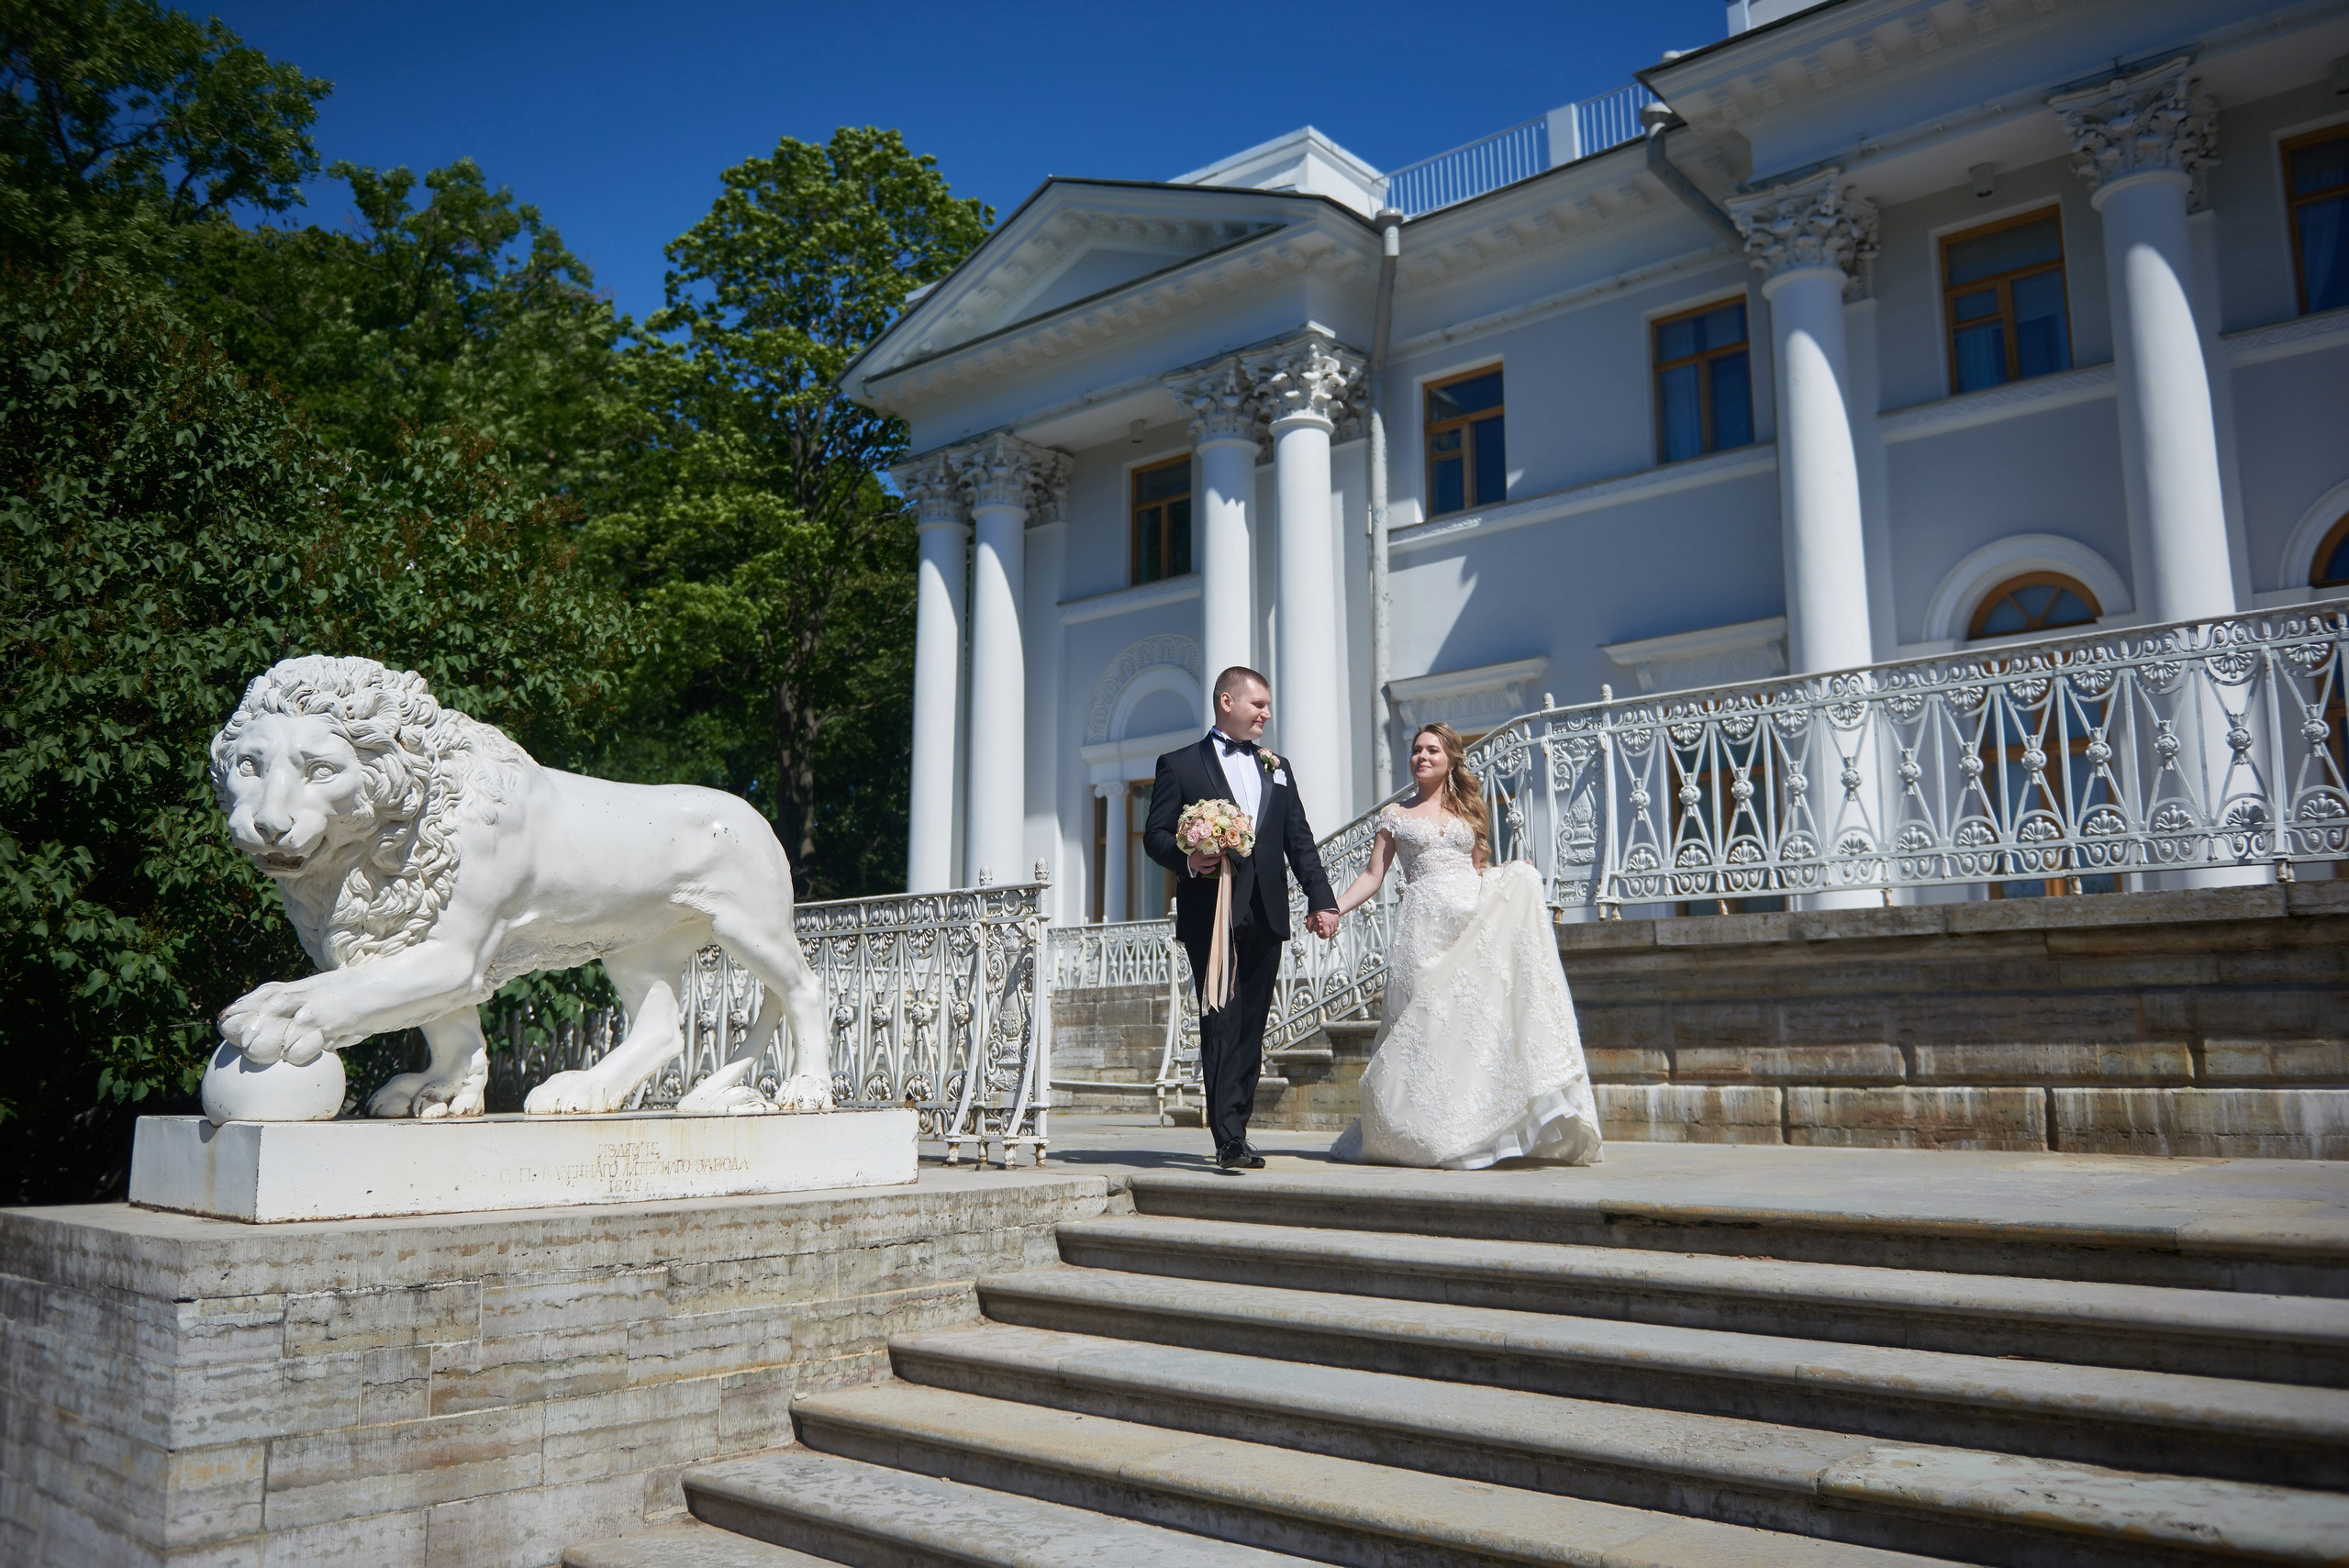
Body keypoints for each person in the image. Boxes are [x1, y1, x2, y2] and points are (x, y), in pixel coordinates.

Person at [1327, 722, 1603, 1170]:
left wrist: (1512, 873)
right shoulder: (1395, 815)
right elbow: (1373, 875)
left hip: (1468, 923)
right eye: (1417, 750)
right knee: (1423, 1025)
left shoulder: (1469, 810)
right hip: (1423, 929)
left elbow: (1479, 871)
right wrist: (1335, 908)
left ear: (1451, 759)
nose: (1422, 757)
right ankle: (1413, 1131)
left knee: (1463, 1027)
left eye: (1432, 750)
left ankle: (1461, 1128)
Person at [1144, 666, 1340, 1170]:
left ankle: (1240, 1128)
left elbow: (1299, 839)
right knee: (1221, 1018)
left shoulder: (1277, 766)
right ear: (1227, 702)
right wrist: (1190, 859)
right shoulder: (1179, 764)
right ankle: (1228, 1137)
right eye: (1258, 705)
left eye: (1267, 706)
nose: (1266, 714)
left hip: (1266, 911)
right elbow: (1155, 835)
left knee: (1252, 1024)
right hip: (1212, 913)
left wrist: (1322, 899)